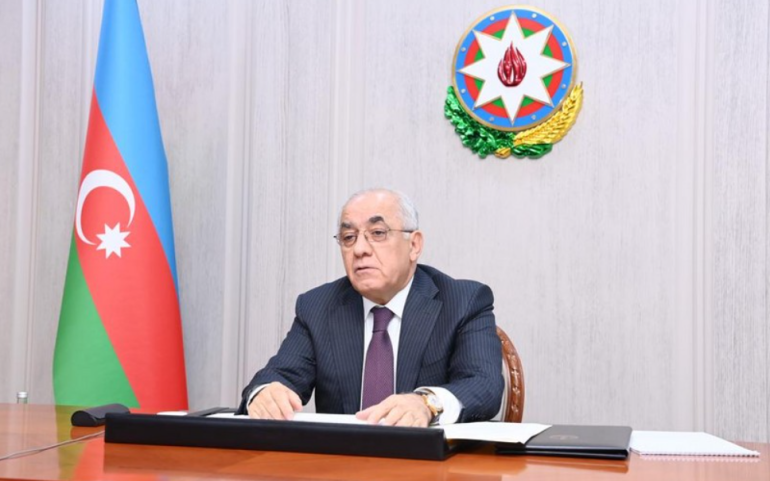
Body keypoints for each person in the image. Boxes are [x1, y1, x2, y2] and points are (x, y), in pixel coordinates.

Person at [237, 188, 503, 426]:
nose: (360, 249)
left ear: (414, 245)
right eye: (349, 237)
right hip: (343, 459)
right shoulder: (317, 307)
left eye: (377, 233)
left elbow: (484, 385)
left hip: (427, 459)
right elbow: (279, 376)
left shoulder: (463, 301)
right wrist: (265, 393)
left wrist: (426, 403)